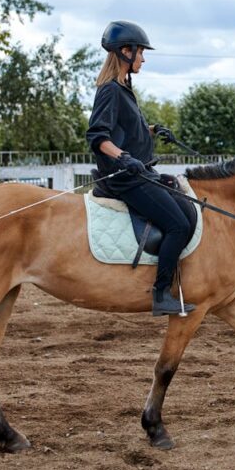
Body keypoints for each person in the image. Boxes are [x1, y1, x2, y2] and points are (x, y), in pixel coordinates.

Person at [85, 20, 195, 316]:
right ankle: (160, 294)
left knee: (187, 210)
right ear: (125, 52)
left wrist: (153, 129)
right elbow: (98, 136)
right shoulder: (109, 90)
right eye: (141, 53)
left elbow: (127, 130)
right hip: (125, 178)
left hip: (139, 172)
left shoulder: (124, 89)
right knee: (178, 225)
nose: (143, 58)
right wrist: (122, 158)